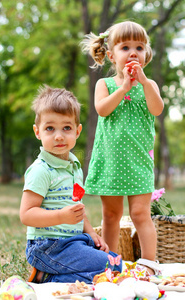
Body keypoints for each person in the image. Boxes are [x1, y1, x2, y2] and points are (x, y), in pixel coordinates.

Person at [81, 21, 164, 275]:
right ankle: (111, 262)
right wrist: (125, 87)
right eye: (125, 47)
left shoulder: (149, 86)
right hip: (112, 162)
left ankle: (149, 263)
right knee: (111, 215)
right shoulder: (104, 85)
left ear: (145, 54)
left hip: (138, 162)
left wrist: (142, 81)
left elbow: (157, 109)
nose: (132, 52)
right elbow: (102, 109)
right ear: (110, 55)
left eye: (139, 47)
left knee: (141, 214)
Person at [19, 85, 122, 284]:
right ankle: (47, 278)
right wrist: (61, 216)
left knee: (113, 262)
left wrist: (92, 233)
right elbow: (27, 214)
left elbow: (76, 209)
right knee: (113, 266)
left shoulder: (74, 166)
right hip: (48, 246)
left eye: (66, 128)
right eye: (50, 128)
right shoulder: (41, 170)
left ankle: (50, 275)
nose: (59, 136)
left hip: (72, 242)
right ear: (37, 131)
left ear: (77, 131)